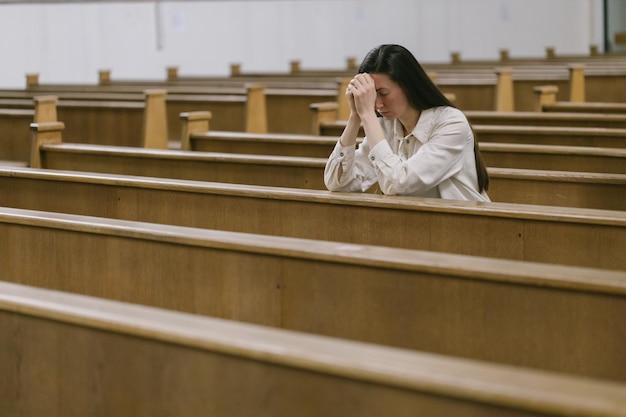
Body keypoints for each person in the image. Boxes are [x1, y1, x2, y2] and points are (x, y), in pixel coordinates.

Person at [324, 44, 490, 202]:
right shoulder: (386, 126)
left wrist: (367, 115)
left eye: (383, 93)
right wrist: (355, 115)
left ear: (408, 86)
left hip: (466, 226)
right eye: (371, 95)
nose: (376, 104)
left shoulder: (452, 124)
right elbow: (338, 184)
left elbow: (398, 183)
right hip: (417, 225)